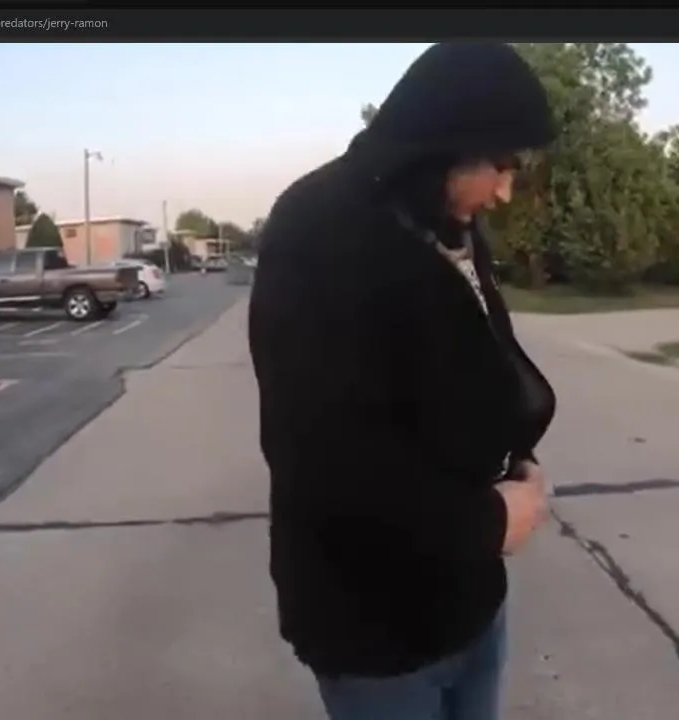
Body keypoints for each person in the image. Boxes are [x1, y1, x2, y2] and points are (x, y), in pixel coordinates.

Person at [247, 43, 559, 720]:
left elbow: (478, 362)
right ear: (443, 148)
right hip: (376, 630)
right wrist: (492, 521)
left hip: (471, 601)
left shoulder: (448, 223)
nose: (505, 192)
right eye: (500, 165)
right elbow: (321, 457)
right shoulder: (319, 229)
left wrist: (515, 454)